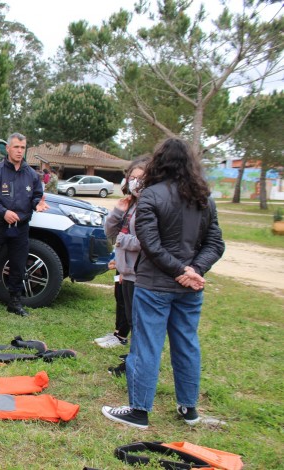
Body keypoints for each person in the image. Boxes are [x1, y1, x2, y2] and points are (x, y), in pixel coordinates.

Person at [101, 138, 224, 429]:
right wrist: (193, 270)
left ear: (160, 162)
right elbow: (215, 244)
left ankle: (139, 411)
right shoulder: (204, 198)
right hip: (188, 288)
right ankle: (189, 410)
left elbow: (151, 245)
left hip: (155, 286)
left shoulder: (151, 196)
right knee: (187, 344)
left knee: (146, 347)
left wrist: (186, 270)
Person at [0, 133, 49, 316]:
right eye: (16, 147)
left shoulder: (31, 174)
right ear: (8, 148)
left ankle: (15, 302)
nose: (20, 151)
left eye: (23, 148)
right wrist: (3, 212)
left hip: (20, 228)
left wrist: (38, 202)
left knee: (18, 265)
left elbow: (37, 195)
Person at [98, 157, 150, 377]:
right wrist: (117, 212)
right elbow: (109, 233)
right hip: (125, 271)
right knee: (129, 314)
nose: (135, 182)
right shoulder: (130, 205)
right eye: (132, 178)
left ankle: (134, 364)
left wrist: (121, 240)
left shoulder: (149, 206)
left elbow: (145, 241)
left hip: (141, 273)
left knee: (138, 322)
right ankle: (132, 357)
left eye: (140, 178)